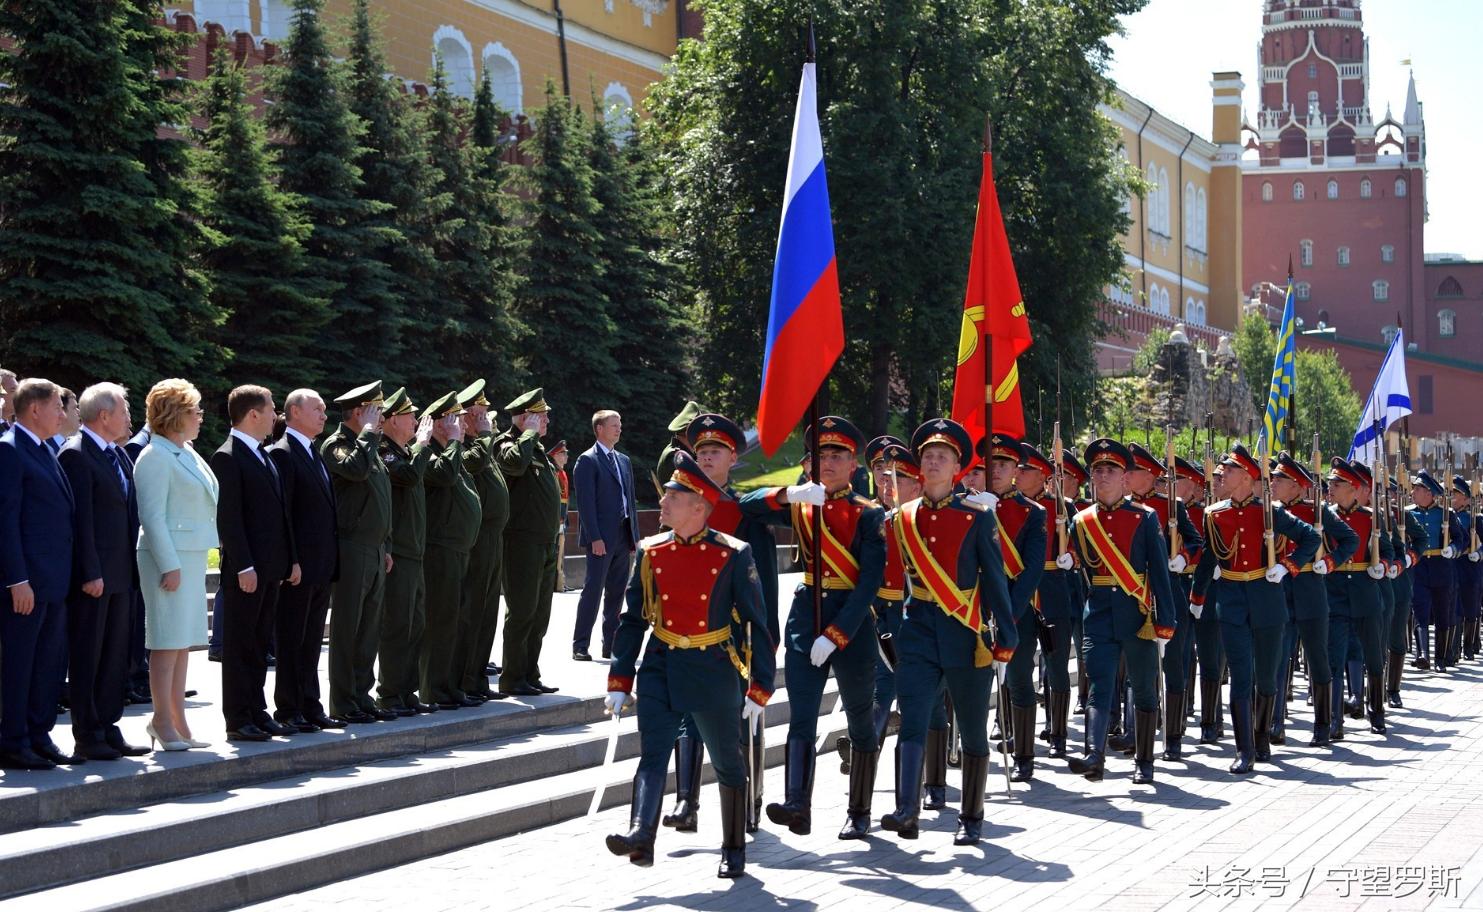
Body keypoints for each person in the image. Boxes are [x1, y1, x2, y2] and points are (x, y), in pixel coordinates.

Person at [604, 451, 774, 879]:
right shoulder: (650, 551)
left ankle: (734, 846)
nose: (661, 503)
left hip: (713, 664)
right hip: (662, 663)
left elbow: (757, 623)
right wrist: (620, 678)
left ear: (698, 506)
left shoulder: (733, 553)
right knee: (653, 753)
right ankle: (641, 834)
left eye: (672, 497)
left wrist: (760, 687)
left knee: (727, 762)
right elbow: (631, 619)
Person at [741, 416, 884, 840]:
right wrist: (789, 492)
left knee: (859, 718)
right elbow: (745, 503)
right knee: (801, 714)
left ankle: (859, 810)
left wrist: (837, 633)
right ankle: (797, 804)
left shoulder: (869, 513)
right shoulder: (804, 502)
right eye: (822, 455)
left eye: (837, 455)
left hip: (851, 623)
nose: (829, 462)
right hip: (807, 613)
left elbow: (869, 584)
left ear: (853, 464)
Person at [881, 418, 1016, 845]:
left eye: (943, 457)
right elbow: (890, 581)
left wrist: (1006, 637)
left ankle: (971, 816)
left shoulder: (977, 515)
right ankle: (907, 809)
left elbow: (994, 578)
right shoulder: (901, 518)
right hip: (918, 631)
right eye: (927, 456)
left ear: (958, 466)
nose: (934, 462)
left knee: (974, 731)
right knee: (913, 720)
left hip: (966, 634)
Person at [662, 413, 777, 834]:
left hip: (741, 633)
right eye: (702, 452)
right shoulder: (687, 506)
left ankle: (748, 798)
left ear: (733, 459)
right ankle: (686, 801)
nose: (707, 458)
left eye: (716, 452)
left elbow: (759, 504)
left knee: (743, 718)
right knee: (688, 714)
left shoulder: (747, 505)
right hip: (694, 629)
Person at [1189, 444, 1318, 773]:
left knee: (1267, 679)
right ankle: (1244, 749)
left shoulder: (1270, 512)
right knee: (1240, 677)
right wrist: (1197, 598)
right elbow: (1208, 557)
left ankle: (1261, 736)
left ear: (1247, 476)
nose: (1223, 474)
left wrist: (1288, 565)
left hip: (1267, 600)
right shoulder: (1214, 514)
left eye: (1229, 470)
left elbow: (1310, 539)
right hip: (1231, 601)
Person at [1064, 438, 1176, 785]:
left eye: (1111, 470)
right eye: (1097, 471)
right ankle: (1094, 755)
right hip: (1097, 613)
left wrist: (1165, 621)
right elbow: (1084, 573)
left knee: (1143, 687)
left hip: (1137, 614)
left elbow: (1159, 572)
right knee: (1098, 683)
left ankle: (1144, 761)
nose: (1102, 476)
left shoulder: (1145, 518)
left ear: (1126, 479)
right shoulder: (1081, 522)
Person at [58, 383, 148, 760]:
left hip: (123, 574)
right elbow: (81, 523)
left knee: (115, 655)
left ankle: (108, 726)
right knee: (90, 655)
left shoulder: (119, 456)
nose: (130, 416)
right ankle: (88, 732)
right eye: (125, 409)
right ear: (104, 415)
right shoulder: (77, 455)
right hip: (94, 579)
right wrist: (90, 572)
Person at [134, 379, 219, 752]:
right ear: (174, 414)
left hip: (190, 555)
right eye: (194, 410)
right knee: (167, 642)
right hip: (166, 559)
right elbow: (151, 517)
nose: (200, 417)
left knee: (182, 644)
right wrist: (169, 565)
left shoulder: (184, 451)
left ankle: (178, 720)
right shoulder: (154, 455)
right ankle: (161, 721)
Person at [211, 386, 300, 742]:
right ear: (252, 414)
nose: (276, 415)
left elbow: (279, 516)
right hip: (246, 572)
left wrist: (287, 561)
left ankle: (257, 711)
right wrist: (243, 566)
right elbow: (229, 519)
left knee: (259, 643)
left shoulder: (262, 454)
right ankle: (238, 717)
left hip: (269, 569)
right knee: (239, 646)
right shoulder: (228, 456)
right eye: (271, 409)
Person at [0, 379, 78, 769]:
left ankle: (38, 733)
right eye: (57, 407)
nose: (63, 415)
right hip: (27, 583)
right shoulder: (10, 450)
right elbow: (6, 520)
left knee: (47, 662)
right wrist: (17, 580)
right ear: (34, 410)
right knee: (20, 663)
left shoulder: (46, 449)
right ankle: (13, 740)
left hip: (53, 580)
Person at [267, 389, 344, 731]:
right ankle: (288, 707)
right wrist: (292, 561)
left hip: (321, 565)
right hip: (299, 568)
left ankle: (310, 704)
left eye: (325, 410)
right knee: (291, 639)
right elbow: (284, 516)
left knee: (312, 640)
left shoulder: (312, 452)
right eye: (317, 409)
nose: (324, 416)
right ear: (295, 412)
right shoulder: (283, 454)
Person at [1121, 443, 1203, 762]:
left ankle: (1173, 736)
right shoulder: (1120, 507)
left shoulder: (1171, 505)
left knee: (1173, 667)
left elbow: (1196, 541)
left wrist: (1182, 558)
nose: (1126, 476)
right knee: (1136, 668)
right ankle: (1134, 731)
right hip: (1134, 596)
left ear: (1150, 475)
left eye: (1133, 471)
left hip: (1168, 591)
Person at [1269, 453, 1357, 747]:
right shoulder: (1270, 511)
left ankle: (1324, 724)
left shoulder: (1316, 511)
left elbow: (1350, 539)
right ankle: (1276, 723)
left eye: (1279, 480)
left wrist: (1331, 562)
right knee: (1278, 660)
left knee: (1318, 659)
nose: (1272, 484)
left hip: (1310, 591)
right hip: (1280, 592)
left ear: (1296, 485)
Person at [321, 382, 396, 724]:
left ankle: (362, 695)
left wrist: (387, 545)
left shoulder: (371, 446)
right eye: (375, 411)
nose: (381, 418)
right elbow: (355, 470)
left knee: (369, 629)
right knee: (348, 627)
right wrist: (367, 434)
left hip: (376, 548)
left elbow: (382, 499)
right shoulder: (337, 445)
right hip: (351, 547)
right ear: (357, 412)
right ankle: (342, 700)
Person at [980, 434, 1046, 782]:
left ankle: (1023, 754)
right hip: (971, 607)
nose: (996, 471)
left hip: (1015, 609)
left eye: (1003, 465)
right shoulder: (969, 507)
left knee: (1019, 681)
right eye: (991, 464)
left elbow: (1032, 569)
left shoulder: (1032, 513)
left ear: (1016, 472)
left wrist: (1009, 613)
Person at [419, 392, 484, 709]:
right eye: (455, 420)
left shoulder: (450, 452)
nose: (460, 425)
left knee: (455, 621)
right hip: (439, 548)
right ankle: (432, 687)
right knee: (440, 621)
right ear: (440, 424)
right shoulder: (431, 453)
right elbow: (442, 475)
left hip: (458, 547)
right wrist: (457, 442)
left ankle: (448, 685)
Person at [1015, 443, 1078, 761]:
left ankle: (1058, 733)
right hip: (1022, 591)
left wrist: (1072, 557)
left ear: (1043, 475)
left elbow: (1084, 546)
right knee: (1019, 663)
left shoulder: (1064, 506)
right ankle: (1014, 729)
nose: (1018, 473)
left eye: (1025, 469)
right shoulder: (1011, 507)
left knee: (1055, 665)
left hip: (1053, 588)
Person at [497, 389, 562, 696]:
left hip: (545, 542)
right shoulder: (508, 443)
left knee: (539, 615)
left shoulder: (535, 448)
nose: (546, 420)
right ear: (525, 417)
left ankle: (529, 673)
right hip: (521, 542)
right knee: (522, 611)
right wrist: (528, 435)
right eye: (541, 415)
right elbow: (513, 466)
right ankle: (512, 676)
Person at [375, 389, 435, 716]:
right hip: (398, 552)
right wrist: (423, 445)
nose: (416, 422)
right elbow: (409, 477)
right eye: (410, 416)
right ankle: (388, 692)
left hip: (415, 550)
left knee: (416, 624)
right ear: (393, 419)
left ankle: (406, 690)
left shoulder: (407, 452)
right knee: (397, 624)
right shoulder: (386, 452)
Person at [457, 380, 512, 701]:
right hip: (476, 540)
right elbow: (474, 464)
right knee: (472, 610)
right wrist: (485, 436)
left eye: (485, 414)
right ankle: (464, 677)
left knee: (487, 611)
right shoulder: (467, 447)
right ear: (464, 418)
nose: (486, 420)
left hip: (493, 537)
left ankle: (477, 677)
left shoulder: (482, 445)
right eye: (479, 415)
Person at [572, 410, 639, 662]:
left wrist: (634, 536)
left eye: (620, 424)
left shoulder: (623, 460)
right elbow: (586, 505)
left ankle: (609, 644)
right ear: (599, 428)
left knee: (617, 592)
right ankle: (580, 644)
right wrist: (595, 538)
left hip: (623, 535)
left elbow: (629, 501)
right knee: (592, 590)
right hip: (601, 538)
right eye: (614, 425)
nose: (619, 429)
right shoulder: (587, 460)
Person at [551, 440, 569, 592]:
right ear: (555, 455)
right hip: (557, 518)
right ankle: (554, 582)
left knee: (560, 552)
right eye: (563, 453)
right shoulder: (555, 473)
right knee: (555, 551)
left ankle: (560, 581)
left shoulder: (562, 473)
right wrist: (560, 519)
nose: (566, 455)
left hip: (562, 518)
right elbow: (557, 499)